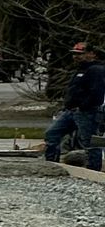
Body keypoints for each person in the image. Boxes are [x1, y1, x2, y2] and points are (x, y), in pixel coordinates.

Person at [45, 40, 105, 171]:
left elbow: (97, 94)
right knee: (52, 134)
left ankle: (93, 170)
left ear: (92, 54)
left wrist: (83, 106)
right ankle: (51, 165)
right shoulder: (80, 70)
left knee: (90, 143)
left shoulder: (96, 70)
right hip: (71, 111)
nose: (76, 56)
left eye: (80, 53)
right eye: (74, 53)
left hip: (88, 112)